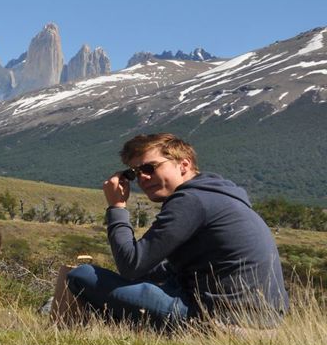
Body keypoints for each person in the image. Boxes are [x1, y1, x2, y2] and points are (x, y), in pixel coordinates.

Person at [62, 133, 288, 329]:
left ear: (184, 165)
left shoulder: (190, 200)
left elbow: (131, 265)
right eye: (134, 173)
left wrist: (117, 207)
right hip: (265, 319)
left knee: (82, 275)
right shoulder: (216, 194)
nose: (142, 178)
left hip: (219, 320)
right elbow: (161, 268)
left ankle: (65, 325)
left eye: (150, 168)